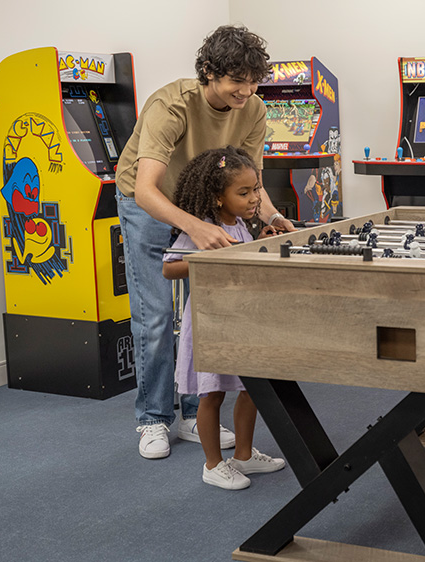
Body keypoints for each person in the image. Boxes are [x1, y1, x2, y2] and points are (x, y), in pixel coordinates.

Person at [116, 24, 297, 460]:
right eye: (238, 80)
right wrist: (196, 229)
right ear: (210, 72)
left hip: (202, 205)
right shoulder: (171, 105)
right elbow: (146, 190)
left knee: (205, 316)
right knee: (156, 315)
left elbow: (249, 176)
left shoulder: (252, 108)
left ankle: (195, 415)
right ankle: (154, 419)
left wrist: (270, 215)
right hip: (149, 205)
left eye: (254, 81)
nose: (247, 90)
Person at [162, 146, 287, 489]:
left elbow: (242, 257)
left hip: (241, 321)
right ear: (218, 197)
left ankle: (244, 456)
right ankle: (213, 464)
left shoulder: (243, 226)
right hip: (210, 323)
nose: (253, 199)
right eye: (243, 192)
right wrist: (212, 257)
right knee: (211, 394)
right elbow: (169, 268)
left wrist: (258, 243)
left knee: (252, 388)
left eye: (256, 190)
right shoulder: (203, 229)